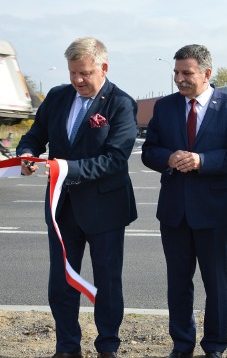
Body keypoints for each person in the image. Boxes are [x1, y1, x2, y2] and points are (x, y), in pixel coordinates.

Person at [17, 37, 138, 358]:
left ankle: (107, 346)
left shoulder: (121, 104)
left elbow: (115, 159)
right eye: (73, 73)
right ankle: (67, 347)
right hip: (62, 208)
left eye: (84, 73)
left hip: (106, 209)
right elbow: (34, 134)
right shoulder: (57, 97)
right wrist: (27, 152)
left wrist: (66, 169)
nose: (77, 80)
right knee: (61, 282)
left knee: (108, 283)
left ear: (104, 67)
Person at [141, 44, 227, 358]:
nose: (179, 79)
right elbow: (150, 151)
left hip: (215, 211)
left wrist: (202, 160)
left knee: (216, 283)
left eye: (186, 73)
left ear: (206, 73)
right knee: (178, 282)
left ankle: (214, 346)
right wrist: (169, 157)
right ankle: (182, 344)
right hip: (174, 210)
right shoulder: (165, 107)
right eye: (176, 72)